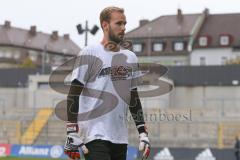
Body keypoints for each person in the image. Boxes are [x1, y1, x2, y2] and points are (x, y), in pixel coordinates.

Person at [64, 6, 150, 160]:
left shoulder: (130, 57)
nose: (123, 28)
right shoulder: (89, 53)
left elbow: (133, 98)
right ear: (105, 25)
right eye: (118, 23)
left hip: (120, 137)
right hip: (93, 135)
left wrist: (142, 131)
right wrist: (71, 130)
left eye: (125, 24)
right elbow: (73, 93)